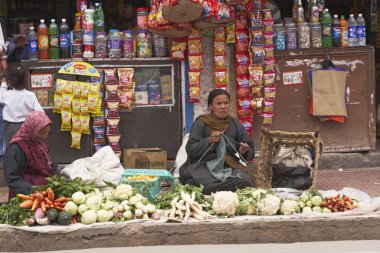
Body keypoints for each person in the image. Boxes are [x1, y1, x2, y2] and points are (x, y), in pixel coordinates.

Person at [179, 89, 256, 194]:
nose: (223, 107)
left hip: (229, 166)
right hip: (203, 165)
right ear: (211, 106)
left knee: (246, 181)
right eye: (218, 103)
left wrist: (244, 151)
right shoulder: (201, 122)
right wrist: (208, 141)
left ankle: (215, 188)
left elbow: (250, 151)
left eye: (226, 103)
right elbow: (191, 150)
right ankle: (219, 187)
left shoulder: (235, 124)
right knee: (201, 182)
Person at [3, 111, 56, 200]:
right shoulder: (15, 148)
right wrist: (32, 191)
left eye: (47, 132)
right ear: (32, 129)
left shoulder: (41, 144)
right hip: (26, 196)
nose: (45, 136)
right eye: (42, 132)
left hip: (45, 193)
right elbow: (11, 178)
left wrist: (59, 181)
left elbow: (51, 164)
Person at [0, 63, 44, 147]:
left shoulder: (5, 95)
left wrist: (3, 84)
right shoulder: (30, 95)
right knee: (26, 148)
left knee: (12, 149)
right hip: (26, 126)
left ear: (9, 82)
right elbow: (41, 113)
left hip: (9, 127)